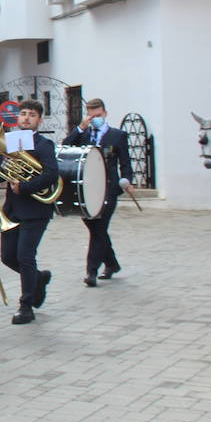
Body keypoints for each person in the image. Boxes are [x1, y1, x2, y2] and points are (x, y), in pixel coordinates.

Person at [0, 101, 57, 324]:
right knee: (7, 257)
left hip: (35, 209)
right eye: (22, 114)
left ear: (39, 120)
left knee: (25, 255)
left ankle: (26, 305)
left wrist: (24, 186)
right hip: (12, 209)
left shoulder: (44, 144)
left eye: (31, 115)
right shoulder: (11, 143)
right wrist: (2, 163)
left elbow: (51, 174)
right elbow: (2, 177)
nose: (26, 118)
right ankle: (38, 278)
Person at [63, 98, 134, 286]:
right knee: (96, 229)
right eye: (92, 115)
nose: (95, 119)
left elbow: (125, 162)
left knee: (99, 229)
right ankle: (111, 264)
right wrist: (79, 128)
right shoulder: (83, 135)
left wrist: (128, 181)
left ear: (105, 113)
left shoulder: (117, 136)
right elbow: (65, 145)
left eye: (98, 115)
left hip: (109, 189)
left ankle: (91, 272)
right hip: (85, 190)